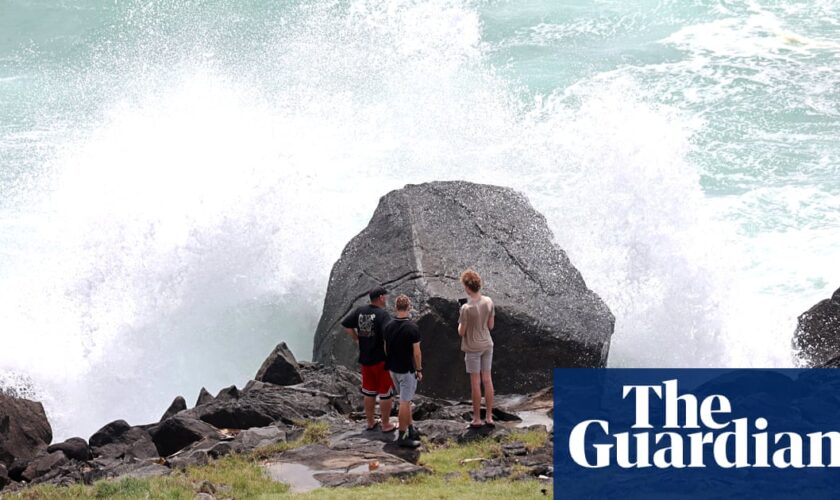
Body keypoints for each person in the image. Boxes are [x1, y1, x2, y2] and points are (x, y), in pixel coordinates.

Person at [341, 286, 396, 432]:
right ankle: (386, 424)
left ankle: (370, 422)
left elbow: (346, 325)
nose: (387, 299)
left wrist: (357, 339)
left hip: (365, 360)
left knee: (369, 392)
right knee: (385, 393)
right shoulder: (382, 315)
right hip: (381, 361)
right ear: (381, 298)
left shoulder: (360, 311)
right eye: (386, 296)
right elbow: (388, 336)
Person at [383, 294, 422, 448]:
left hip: (393, 369)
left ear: (395, 308)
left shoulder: (388, 326)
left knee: (406, 400)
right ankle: (403, 436)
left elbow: (386, 348)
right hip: (407, 370)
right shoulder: (412, 328)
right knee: (405, 403)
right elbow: (417, 353)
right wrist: (419, 369)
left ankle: (410, 429)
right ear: (409, 307)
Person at [458, 269, 495, 428]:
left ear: (467, 287)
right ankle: (489, 417)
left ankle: (477, 419)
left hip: (473, 347)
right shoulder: (489, 301)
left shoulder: (466, 308)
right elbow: (491, 326)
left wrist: (459, 319)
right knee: (487, 379)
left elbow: (461, 332)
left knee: (475, 382)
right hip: (487, 343)